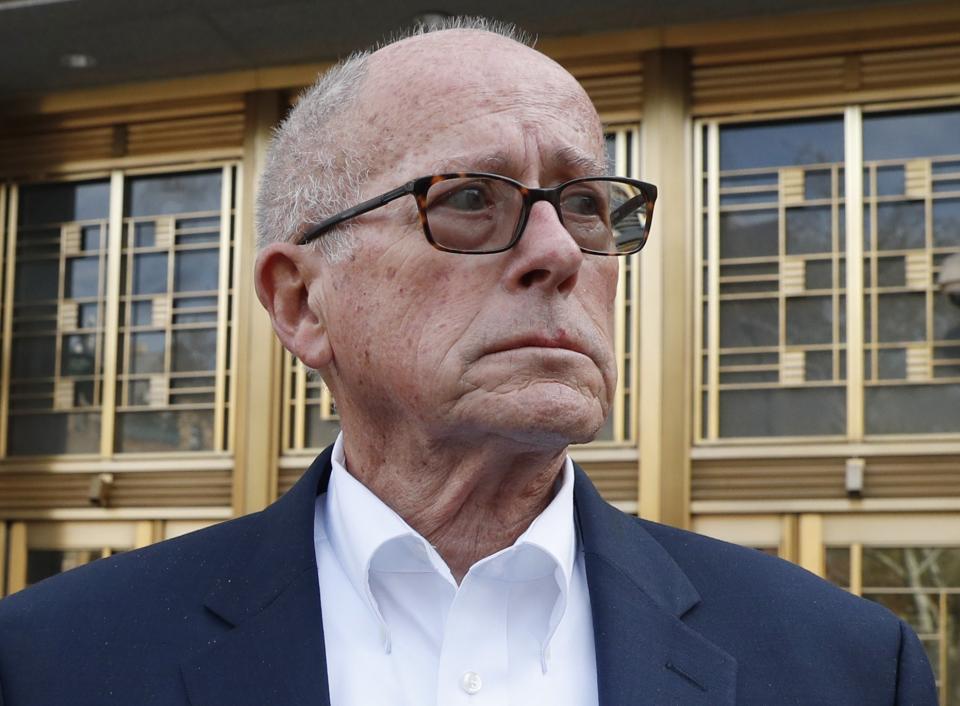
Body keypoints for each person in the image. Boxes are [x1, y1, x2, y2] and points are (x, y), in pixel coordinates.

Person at [0, 18, 937, 706]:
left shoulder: (845, 664)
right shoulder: (52, 662)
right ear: (299, 301)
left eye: (585, 205)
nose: (562, 253)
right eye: (471, 199)